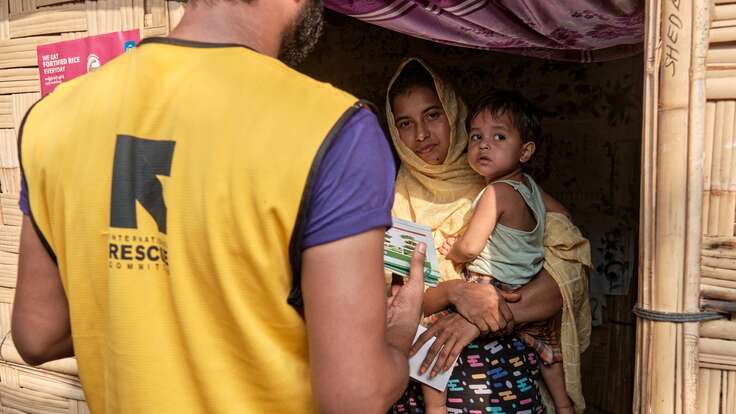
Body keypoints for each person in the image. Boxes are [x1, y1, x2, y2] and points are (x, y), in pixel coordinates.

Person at [10, 1, 426, 413]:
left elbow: (36, 334)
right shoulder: (334, 128)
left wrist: (146, 305)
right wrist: (400, 331)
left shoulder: (54, 117)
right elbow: (355, 396)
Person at [386, 58, 591, 414]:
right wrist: (454, 292)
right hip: (425, 384)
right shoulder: (393, 201)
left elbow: (570, 269)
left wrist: (478, 318)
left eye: (433, 115)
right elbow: (390, 303)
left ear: (453, 113)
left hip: (505, 381)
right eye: (405, 123)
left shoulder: (500, 183)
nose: (420, 134)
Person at [427, 90, 572, 414]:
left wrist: (453, 253)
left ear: (526, 151)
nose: (483, 144)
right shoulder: (531, 188)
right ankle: (564, 404)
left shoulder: (495, 192)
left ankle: (434, 407)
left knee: (431, 332)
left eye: (498, 136)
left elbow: (471, 246)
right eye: (476, 136)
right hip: (526, 284)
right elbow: (563, 217)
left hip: (492, 285)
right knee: (547, 347)